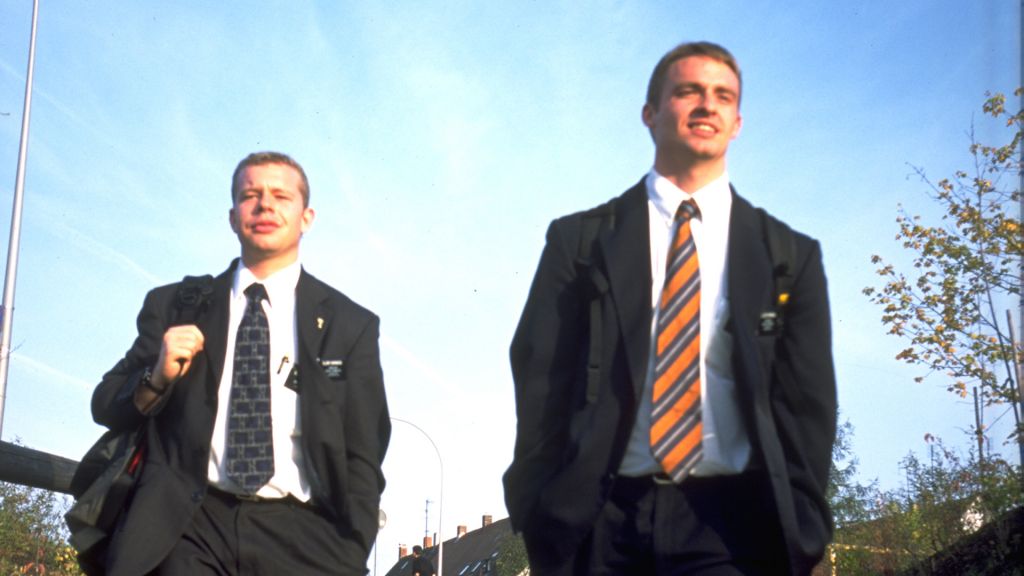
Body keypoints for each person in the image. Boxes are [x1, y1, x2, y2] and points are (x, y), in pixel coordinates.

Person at [503, 42, 837, 575]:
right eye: (688, 91)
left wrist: (802, 524)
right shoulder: (581, 242)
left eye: (722, 96)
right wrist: (540, 506)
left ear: (737, 123)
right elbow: (540, 376)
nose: (707, 105)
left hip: (732, 530)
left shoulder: (789, 257)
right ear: (650, 113)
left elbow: (808, 408)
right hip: (600, 525)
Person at [91, 151, 391, 575]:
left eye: (280, 196)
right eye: (251, 195)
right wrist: (155, 377)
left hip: (304, 534)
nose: (265, 204)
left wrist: (351, 546)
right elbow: (104, 404)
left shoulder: (350, 324)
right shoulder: (175, 305)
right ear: (233, 217)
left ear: (306, 217)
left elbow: (365, 449)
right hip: (189, 528)